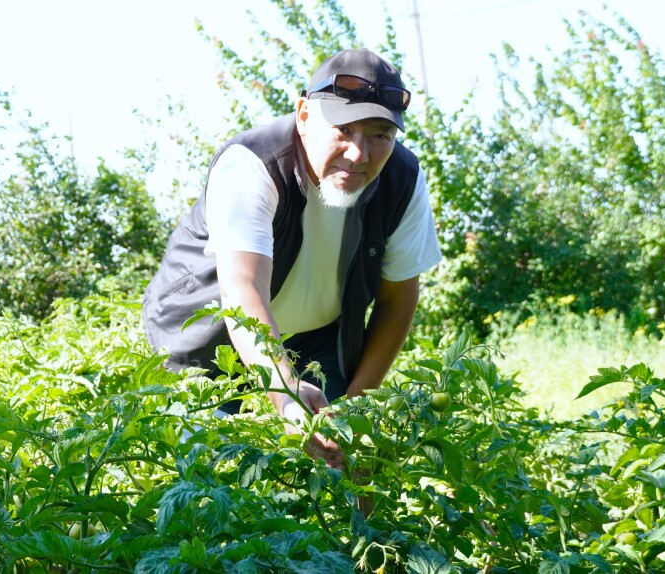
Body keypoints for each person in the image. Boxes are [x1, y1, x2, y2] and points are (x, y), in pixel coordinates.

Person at [142, 48, 442, 469]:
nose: (359, 154)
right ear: (303, 116)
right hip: (209, 339)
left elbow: (397, 301)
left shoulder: (403, 179)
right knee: (210, 478)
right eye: (343, 130)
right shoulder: (252, 164)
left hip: (315, 338)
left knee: (338, 470)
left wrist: (353, 411)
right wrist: (284, 391)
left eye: (380, 136)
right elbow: (243, 289)